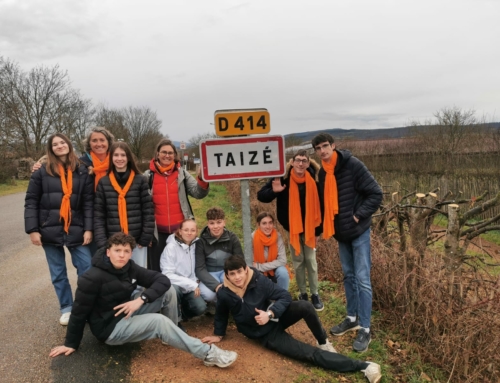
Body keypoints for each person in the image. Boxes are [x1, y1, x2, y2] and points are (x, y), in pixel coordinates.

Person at [49, 233, 238, 370]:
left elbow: (162, 280)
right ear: (108, 252)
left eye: (126, 251)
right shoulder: (91, 278)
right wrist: (71, 343)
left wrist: (141, 299)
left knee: (169, 291)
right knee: (158, 321)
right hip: (110, 328)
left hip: (128, 311)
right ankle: (208, 354)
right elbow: (79, 312)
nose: (121, 255)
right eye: (117, 251)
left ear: (131, 253)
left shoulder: (129, 267)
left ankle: (170, 335)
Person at [201, 255, 382, 383]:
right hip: (264, 334)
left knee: (305, 306)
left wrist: (270, 314)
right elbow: (221, 313)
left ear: (245, 269)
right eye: (231, 274)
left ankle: (323, 341)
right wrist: (218, 333)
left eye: (239, 272)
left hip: (273, 318)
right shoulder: (225, 293)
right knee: (307, 354)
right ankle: (364, 366)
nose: (237, 277)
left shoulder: (258, 280)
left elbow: (284, 296)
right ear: (227, 276)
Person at [312, 133, 383, 353]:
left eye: (326, 146)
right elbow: (324, 204)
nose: (323, 151)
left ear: (333, 146)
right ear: (315, 151)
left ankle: (366, 328)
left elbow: (376, 193)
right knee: (348, 276)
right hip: (341, 233)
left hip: (358, 230)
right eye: (318, 148)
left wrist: (357, 215)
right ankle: (352, 317)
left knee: (362, 279)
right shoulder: (323, 173)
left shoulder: (352, 165)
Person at [25, 133, 94, 326]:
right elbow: (31, 201)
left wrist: (88, 229)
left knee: (86, 268)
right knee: (58, 272)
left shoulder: (82, 170)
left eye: (62, 142)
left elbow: (88, 202)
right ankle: (67, 308)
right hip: (49, 228)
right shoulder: (41, 172)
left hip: (77, 227)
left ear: (69, 145)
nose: (60, 146)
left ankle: (83, 306)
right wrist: (33, 229)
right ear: (51, 148)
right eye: (55, 144)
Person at [257, 150, 324, 311]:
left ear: (309, 163)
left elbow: (322, 205)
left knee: (311, 262)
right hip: (292, 228)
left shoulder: (316, 178)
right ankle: (303, 293)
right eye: (298, 160)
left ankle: (315, 293)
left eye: (304, 161)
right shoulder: (282, 177)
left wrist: (318, 231)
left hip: (310, 228)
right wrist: (275, 191)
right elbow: (261, 196)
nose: (301, 164)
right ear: (292, 162)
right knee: (298, 262)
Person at [32, 127, 115, 256]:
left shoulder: (118, 161)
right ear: (89, 144)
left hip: (115, 215)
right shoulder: (82, 164)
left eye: (102, 140)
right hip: (92, 217)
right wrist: (40, 164)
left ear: (109, 142)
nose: (99, 144)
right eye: (94, 140)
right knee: (96, 258)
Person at [145, 139, 210, 272]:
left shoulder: (182, 175)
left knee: (182, 270)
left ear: (175, 155)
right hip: (157, 234)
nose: (167, 155)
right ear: (157, 154)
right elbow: (141, 205)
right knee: (157, 271)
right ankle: (160, 293)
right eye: (164, 152)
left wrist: (202, 179)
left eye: (170, 153)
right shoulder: (147, 176)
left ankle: (181, 292)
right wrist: (146, 232)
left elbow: (198, 193)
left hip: (180, 232)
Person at [94, 141, 154, 268]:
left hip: (137, 241)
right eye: (116, 155)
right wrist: (102, 242)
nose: (119, 158)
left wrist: (145, 237)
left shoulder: (141, 180)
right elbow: (99, 215)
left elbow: (148, 211)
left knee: (137, 279)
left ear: (128, 157)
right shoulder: (103, 182)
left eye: (123, 155)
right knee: (115, 280)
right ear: (111, 158)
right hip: (113, 242)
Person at [160, 219, 207, 324]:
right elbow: (167, 274)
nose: (189, 233)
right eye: (186, 230)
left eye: (192, 230)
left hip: (192, 286)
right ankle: (173, 320)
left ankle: (183, 314)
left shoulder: (198, 245)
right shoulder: (171, 248)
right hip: (176, 285)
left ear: (196, 232)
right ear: (180, 231)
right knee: (173, 290)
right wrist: (191, 284)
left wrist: (197, 280)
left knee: (201, 308)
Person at [195, 207, 243, 303]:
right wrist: (216, 286)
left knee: (236, 290)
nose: (216, 226)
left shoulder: (232, 238)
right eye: (212, 223)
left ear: (224, 222)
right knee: (209, 295)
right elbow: (199, 269)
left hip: (228, 271)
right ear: (208, 224)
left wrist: (233, 276)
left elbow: (240, 260)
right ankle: (216, 303)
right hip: (210, 273)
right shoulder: (201, 242)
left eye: (219, 222)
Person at [250, 211, 290, 291]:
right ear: (258, 225)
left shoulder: (278, 237)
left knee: (283, 273)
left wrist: (260, 266)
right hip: (258, 271)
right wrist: (257, 268)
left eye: (270, 223)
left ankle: (282, 297)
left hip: (270, 268)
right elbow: (249, 262)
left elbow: (282, 260)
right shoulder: (252, 238)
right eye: (264, 223)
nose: (268, 226)